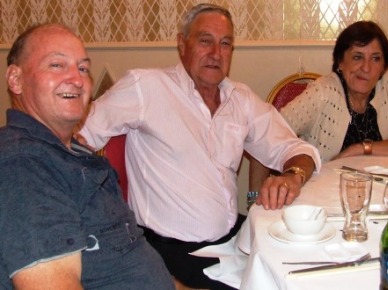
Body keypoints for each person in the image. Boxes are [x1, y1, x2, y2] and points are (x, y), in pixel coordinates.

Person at [79, 3, 321, 289]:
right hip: (171, 253)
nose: (216, 53)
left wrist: (293, 175)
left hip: (232, 239)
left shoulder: (240, 98)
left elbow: (297, 150)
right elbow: (79, 136)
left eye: (225, 44)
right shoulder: (146, 87)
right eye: (205, 41)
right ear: (182, 44)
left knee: (307, 265)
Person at [0, 23, 175, 290]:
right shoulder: (24, 164)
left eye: (83, 68)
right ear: (15, 79)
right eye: (57, 65)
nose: (77, 79)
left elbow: (135, 260)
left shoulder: (72, 152)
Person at [249, 20, 388, 191]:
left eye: (375, 58)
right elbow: (265, 136)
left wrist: (359, 149)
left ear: (384, 66)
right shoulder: (322, 92)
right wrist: (254, 198)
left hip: (377, 194)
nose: (367, 67)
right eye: (357, 57)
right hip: (320, 194)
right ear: (340, 62)